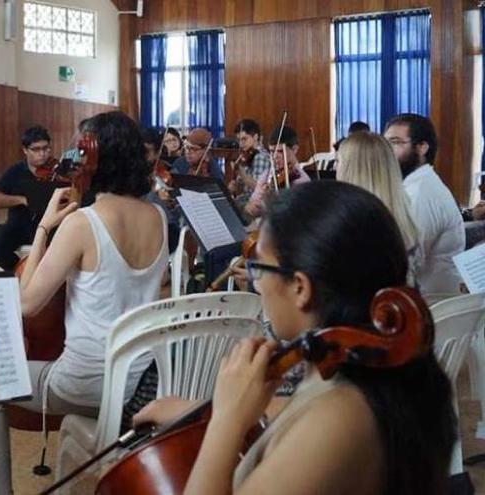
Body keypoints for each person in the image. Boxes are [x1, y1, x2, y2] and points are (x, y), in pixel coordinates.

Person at [135, 180, 456, 494]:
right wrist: (200, 411)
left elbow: (315, 423)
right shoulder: (364, 376)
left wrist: (226, 423)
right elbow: (293, 410)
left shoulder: (337, 422)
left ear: (300, 288)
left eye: (260, 269)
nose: (255, 284)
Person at [0, 111, 169, 493]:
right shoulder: (158, 217)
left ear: (93, 158)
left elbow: (27, 304)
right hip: (136, 381)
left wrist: (46, 225)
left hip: (86, 381)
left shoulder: (84, 223)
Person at [384, 113, 464, 296]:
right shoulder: (416, 185)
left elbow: (407, 261)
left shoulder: (420, 193)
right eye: (386, 143)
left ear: (421, 148)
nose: (387, 151)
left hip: (428, 303)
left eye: (395, 143)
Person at [336, 131, 421, 286]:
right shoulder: (404, 212)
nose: (336, 167)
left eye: (339, 161)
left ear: (352, 170)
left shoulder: (351, 225)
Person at [0, 125, 62, 271]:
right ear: (25, 150)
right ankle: (19, 271)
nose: (42, 154)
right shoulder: (15, 172)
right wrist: (23, 200)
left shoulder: (58, 170)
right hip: (19, 226)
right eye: (36, 149)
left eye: (46, 148)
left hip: (50, 226)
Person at [244, 125, 310, 218]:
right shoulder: (267, 174)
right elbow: (252, 204)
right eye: (272, 151)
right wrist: (251, 208)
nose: (275, 157)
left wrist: (267, 203)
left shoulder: (302, 181)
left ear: (294, 149)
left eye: (280, 151)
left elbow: (294, 217)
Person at [229, 119, 270, 211]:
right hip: (246, 200)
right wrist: (236, 185)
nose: (240, 144)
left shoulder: (260, 156)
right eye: (239, 140)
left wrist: (242, 175)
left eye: (244, 139)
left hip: (255, 205)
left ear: (255, 137)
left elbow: (258, 189)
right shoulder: (248, 155)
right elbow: (245, 187)